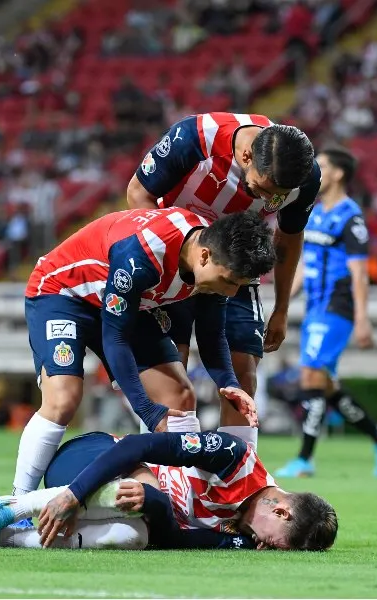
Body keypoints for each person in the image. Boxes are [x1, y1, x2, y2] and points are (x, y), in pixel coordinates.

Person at [13, 208, 272, 505]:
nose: (232, 290)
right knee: (63, 399)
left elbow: (212, 335)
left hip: (125, 305)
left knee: (178, 395)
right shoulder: (142, 255)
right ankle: (15, 503)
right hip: (63, 294)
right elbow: (115, 338)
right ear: (203, 257)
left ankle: (179, 504)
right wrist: (147, 411)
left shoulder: (216, 254)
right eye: (230, 281)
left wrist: (229, 383)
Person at [126, 113, 321, 448]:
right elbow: (138, 194)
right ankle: (167, 475)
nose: (268, 201)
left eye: (277, 197)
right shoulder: (196, 137)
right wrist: (166, 268)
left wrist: (282, 307)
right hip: (179, 266)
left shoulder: (303, 176)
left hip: (238, 270)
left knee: (243, 371)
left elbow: (288, 239)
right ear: (245, 157)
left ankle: (238, 479)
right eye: (262, 189)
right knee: (173, 374)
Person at [0, 430, 338, 552]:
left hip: (127, 508)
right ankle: (7, 506)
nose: (267, 549)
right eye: (278, 544)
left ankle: (5, 537)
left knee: (135, 535)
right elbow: (136, 447)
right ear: (282, 513)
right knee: (138, 494)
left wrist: (154, 501)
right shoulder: (232, 459)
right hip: (93, 457)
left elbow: (168, 539)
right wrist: (75, 494)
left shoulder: (240, 534)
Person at [276, 147, 377, 479]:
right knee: (325, 384)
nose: (315, 171)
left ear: (338, 174)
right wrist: (280, 302)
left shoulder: (351, 218)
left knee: (310, 377)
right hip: (316, 307)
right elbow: (303, 265)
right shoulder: (315, 213)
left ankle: (304, 459)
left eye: (322, 166)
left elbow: (360, 273)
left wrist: (363, 317)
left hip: (337, 308)